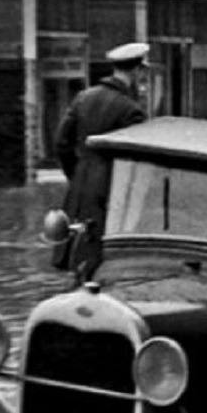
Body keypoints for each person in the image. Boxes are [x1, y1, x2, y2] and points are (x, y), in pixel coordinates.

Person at [53, 41, 149, 275]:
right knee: (103, 258)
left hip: (79, 190)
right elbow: (136, 163)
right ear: (136, 71)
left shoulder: (83, 98)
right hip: (110, 193)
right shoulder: (131, 110)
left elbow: (61, 143)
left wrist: (76, 174)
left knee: (77, 252)